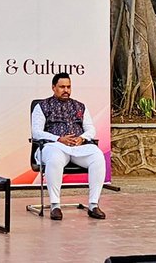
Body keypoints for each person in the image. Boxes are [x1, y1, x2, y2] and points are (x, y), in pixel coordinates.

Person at [31, 72, 107, 220]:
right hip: (53, 146)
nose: (66, 90)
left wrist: (82, 138)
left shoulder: (79, 106)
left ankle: (93, 205)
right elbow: (36, 132)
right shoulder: (42, 106)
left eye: (68, 87)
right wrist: (58, 139)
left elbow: (91, 129)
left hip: (78, 147)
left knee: (97, 156)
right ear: (53, 88)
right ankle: (55, 205)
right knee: (55, 159)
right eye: (62, 87)